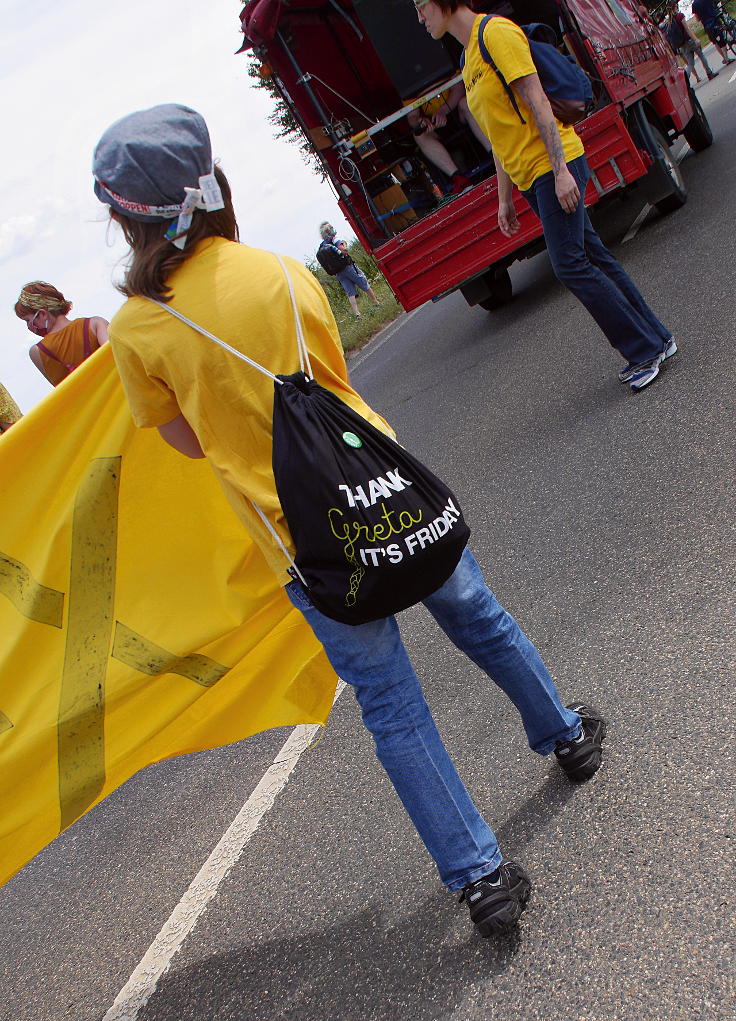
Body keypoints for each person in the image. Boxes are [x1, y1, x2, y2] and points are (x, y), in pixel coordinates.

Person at [93, 103, 606, 937]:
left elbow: (187, 442)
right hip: (384, 496)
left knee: (391, 706)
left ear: (128, 218)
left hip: (304, 547)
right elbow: (329, 380)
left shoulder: (138, 330)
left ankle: (480, 877)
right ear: (210, 183)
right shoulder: (282, 273)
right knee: (479, 616)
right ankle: (565, 731)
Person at [415, 0, 677, 391]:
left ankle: (643, 350)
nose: (420, 18)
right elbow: (500, 140)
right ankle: (658, 338)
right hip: (528, 176)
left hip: (552, 166)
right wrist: (504, 200)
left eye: (422, 7)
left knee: (570, 264)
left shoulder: (495, 34)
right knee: (593, 256)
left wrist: (560, 173)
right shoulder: (468, 59)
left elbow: (538, 101)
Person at [14, 282, 109, 386]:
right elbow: (117, 355)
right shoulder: (95, 324)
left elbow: (60, 388)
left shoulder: (37, 351)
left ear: (42, 314)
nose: (29, 327)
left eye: (28, 321)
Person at [406, 82, 492, 193]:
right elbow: (411, 116)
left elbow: (459, 88)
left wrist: (443, 111)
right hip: (435, 123)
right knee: (418, 135)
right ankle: (459, 179)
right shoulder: (406, 76)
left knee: (465, 102)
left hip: (457, 111)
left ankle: (496, 156)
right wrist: (420, 122)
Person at [317, 222, 379, 318]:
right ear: (330, 231)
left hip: (338, 273)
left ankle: (357, 313)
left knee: (350, 292)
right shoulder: (335, 239)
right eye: (332, 227)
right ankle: (375, 302)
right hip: (347, 267)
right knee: (363, 281)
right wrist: (344, 244)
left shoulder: (323, 245)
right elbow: (344, 250)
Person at [664, 2, 718, 81]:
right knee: (701, 55)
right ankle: (709, 72)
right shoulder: (680, 16)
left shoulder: (668, 22)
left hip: (682, 45)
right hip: (689, 41)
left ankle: (685, 80)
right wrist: (695, 39)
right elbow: (687, 29)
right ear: (675, 6)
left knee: (690, 64)